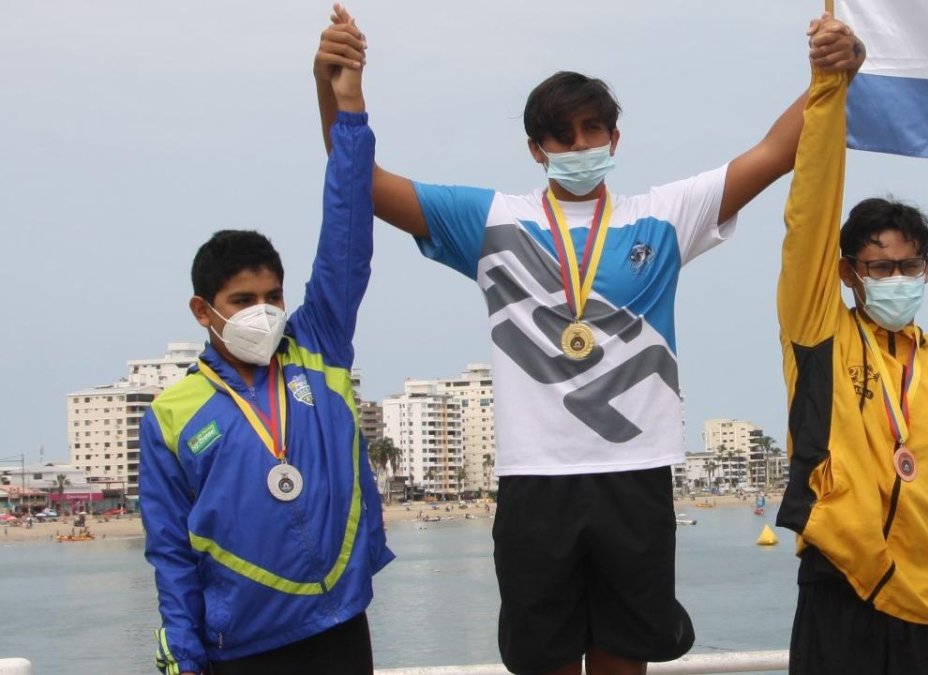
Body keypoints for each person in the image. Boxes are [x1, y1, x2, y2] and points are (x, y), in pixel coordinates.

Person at [314, 7, 862, 675]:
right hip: (533, 479)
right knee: (542, 661)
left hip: (635, 475)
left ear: (614, 137)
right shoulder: (490, 221)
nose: (578, 147)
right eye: (560, 137)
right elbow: (361, 182)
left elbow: (778, 151)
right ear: (535, 149)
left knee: (623, 658)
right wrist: (341, 92)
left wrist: (831, 75)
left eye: (590, 131)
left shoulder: (661, 217)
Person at [138, 36, 393, 675]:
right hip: (242, 648)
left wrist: (350, 107)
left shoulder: (318, 347)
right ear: (204, 310)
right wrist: (185, 655)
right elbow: (170, 551)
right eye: (243, 298)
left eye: (273, 295)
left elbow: (346, 234)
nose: (263, 311)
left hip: (338, 626)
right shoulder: (171, 414)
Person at [773, 46, 928, 675]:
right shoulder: (820, 335)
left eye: (908, 266)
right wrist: (833, 88)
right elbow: (808, 215)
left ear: (927, 270)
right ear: (847, 273)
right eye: (879, 267)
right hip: (840, 591)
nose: (895, 278)